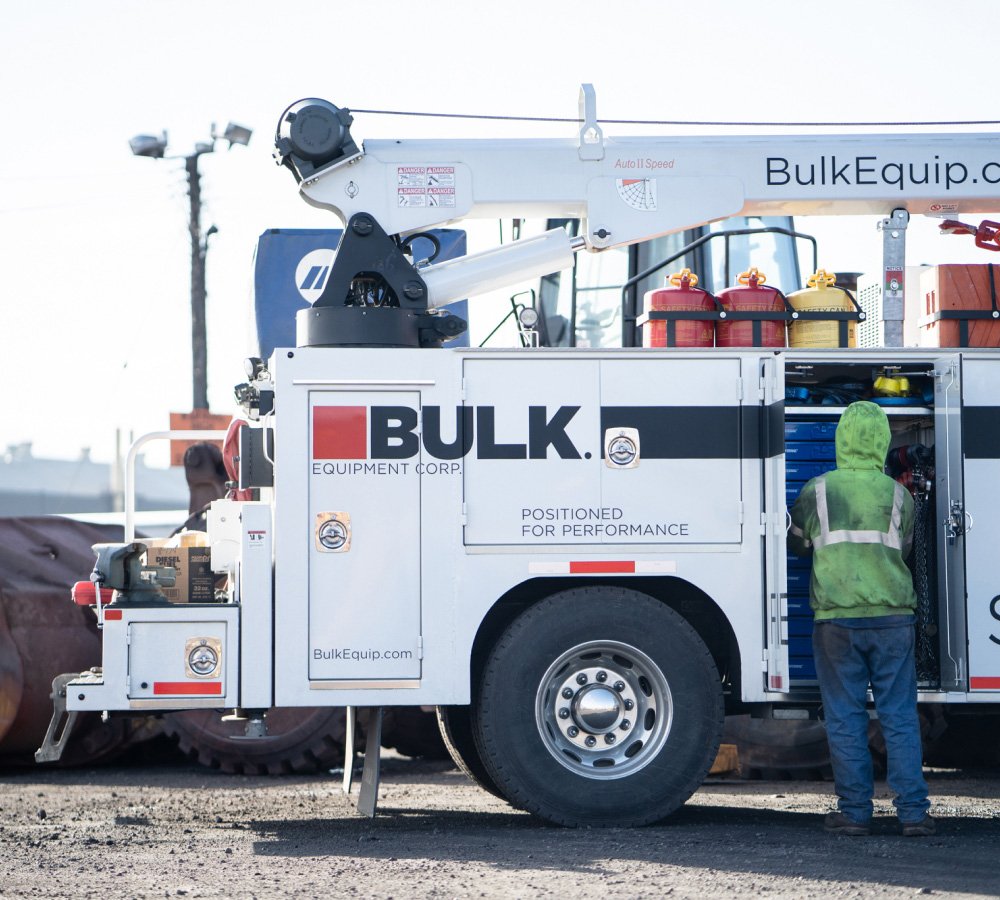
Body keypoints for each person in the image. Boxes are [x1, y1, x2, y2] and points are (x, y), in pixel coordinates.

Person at [789, 400, 934, 837]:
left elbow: (798, 544)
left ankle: (854, 813)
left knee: (845, 717)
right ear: (882, 441)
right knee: (899, 716)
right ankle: (914, 814)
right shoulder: (898, 494)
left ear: (842, 440)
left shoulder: (817, 490)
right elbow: (904, 550)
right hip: (893, 618)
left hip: (836, 620)